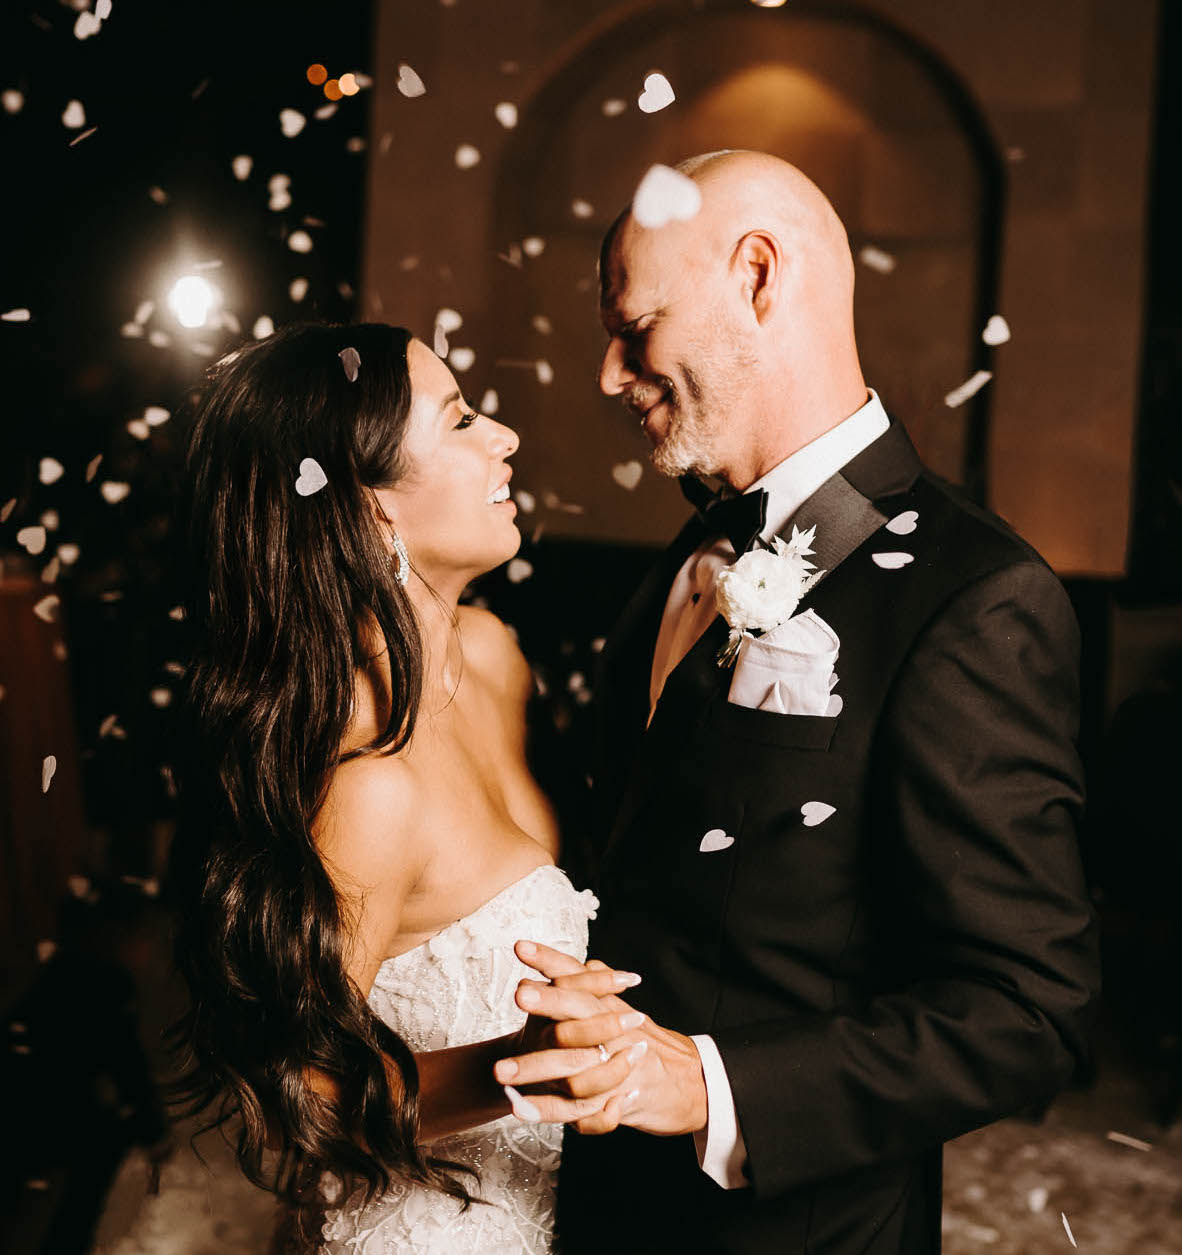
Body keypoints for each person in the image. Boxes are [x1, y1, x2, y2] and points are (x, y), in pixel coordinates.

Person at [496, 151, 1102, 1253]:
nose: (607, 373)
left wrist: (711, 1084)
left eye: (635, 329)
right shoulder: (684, 559)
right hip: (590, 1213)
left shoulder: (974, 598)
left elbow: (1030, 1007)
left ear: (758, 275)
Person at [167, 323, 641, 1254]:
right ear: (371, 509)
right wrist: (515, 1069)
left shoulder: (496, 659)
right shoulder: (364, 783)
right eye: (461, 419)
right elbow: (290, 1101)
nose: (502, 436)